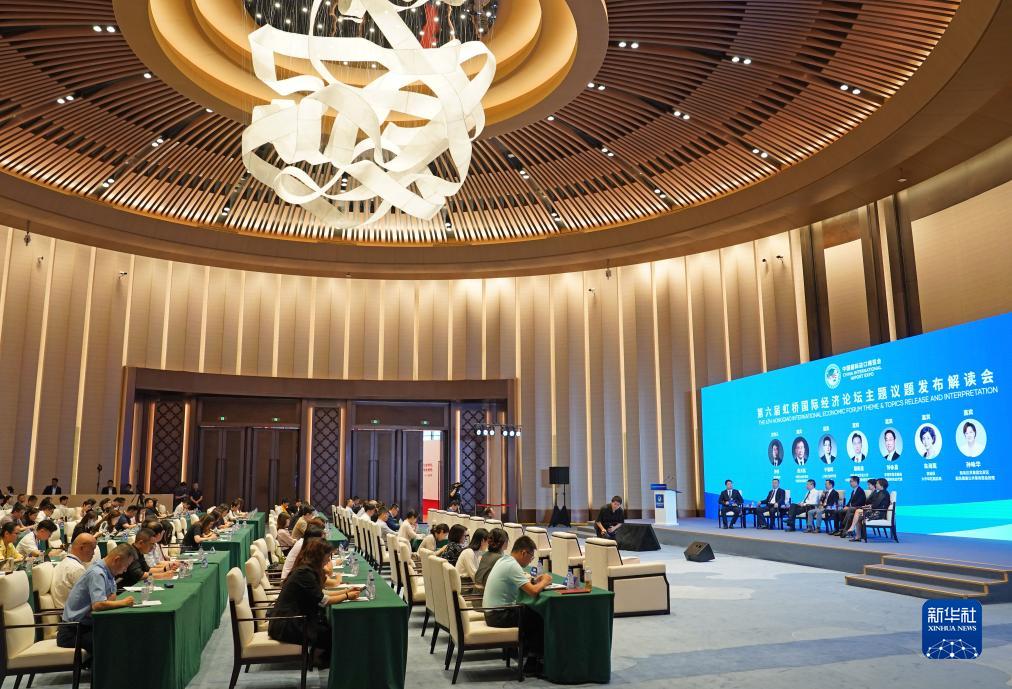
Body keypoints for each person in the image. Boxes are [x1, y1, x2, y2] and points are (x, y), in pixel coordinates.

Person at [268, 539, 359, 666]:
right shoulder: (304, 573)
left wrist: (346, 591)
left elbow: (320, 594)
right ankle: (317, 660)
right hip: (286, 625)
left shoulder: (307, 569)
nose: (328, 560)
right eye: (327, 557)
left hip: (291, 619)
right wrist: (347, 596)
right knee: (330, 633)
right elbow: (323, 601)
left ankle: (318, 657)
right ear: (319, 556)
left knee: (327, 626)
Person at [482, 536, 552, 675]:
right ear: (524, 553)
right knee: (537, 617)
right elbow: (533, 592)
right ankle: (533, 663)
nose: (530, 561)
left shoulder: (504, 560)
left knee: (528, 612)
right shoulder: (512, 566)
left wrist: (534, 580)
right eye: (531, 557)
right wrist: (545, 581)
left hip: (492, 612)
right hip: (498, 615)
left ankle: (526, 653)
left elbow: (521, 581)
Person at [58, 543, 136, 654]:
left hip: (86, 627)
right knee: (114, 642)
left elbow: (111, 599)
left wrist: (109, 601)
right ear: (117, 560)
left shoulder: (108, 572)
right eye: (126, 565)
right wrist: (124, 602)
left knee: (123, 634)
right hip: (73, 632)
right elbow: (98, 605)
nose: (125, 570)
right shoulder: (97, 573)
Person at [52, 533, 97, 609]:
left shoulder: (64, 562)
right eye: (92, 549)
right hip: (74, 613)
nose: (94, 553)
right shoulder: (76, 569)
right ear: (82, 548)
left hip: (69, 610)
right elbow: (92, 599)